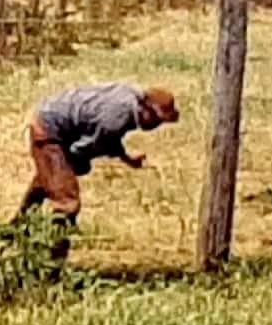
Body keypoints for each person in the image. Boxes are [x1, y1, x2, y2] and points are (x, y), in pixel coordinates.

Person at [21, 81, 179, 226]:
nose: (156, 126)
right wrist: (74, 167)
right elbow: (85, 147)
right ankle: (53, 250)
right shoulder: (119, 115)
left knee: (51, 178)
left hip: (58, 123)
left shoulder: (129, 99)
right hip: (49, 130)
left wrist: (126, 158)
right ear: (145, 109)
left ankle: (17, 229)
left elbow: (108, 138)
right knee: (67, 201)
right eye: (157, 120)